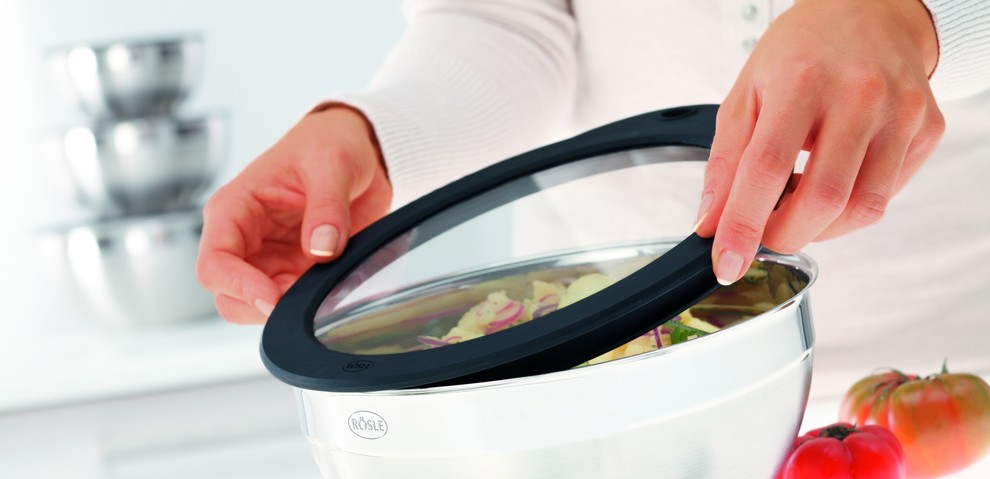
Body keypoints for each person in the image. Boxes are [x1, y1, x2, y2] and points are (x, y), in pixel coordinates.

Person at [196, 0, 990, 398]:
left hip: (954, 363)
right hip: (599, 381)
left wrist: (910, 17)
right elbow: (497, 24)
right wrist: (377, 138)